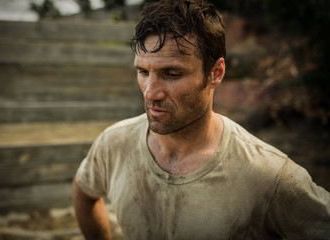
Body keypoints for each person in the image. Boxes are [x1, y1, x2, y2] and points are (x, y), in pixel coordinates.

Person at [72, 0, 330, 239]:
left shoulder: (269, 175)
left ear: (216, 73)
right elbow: (84, 191)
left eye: (172, 73)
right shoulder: (114, 142)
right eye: (143, 71)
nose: (150, 92)